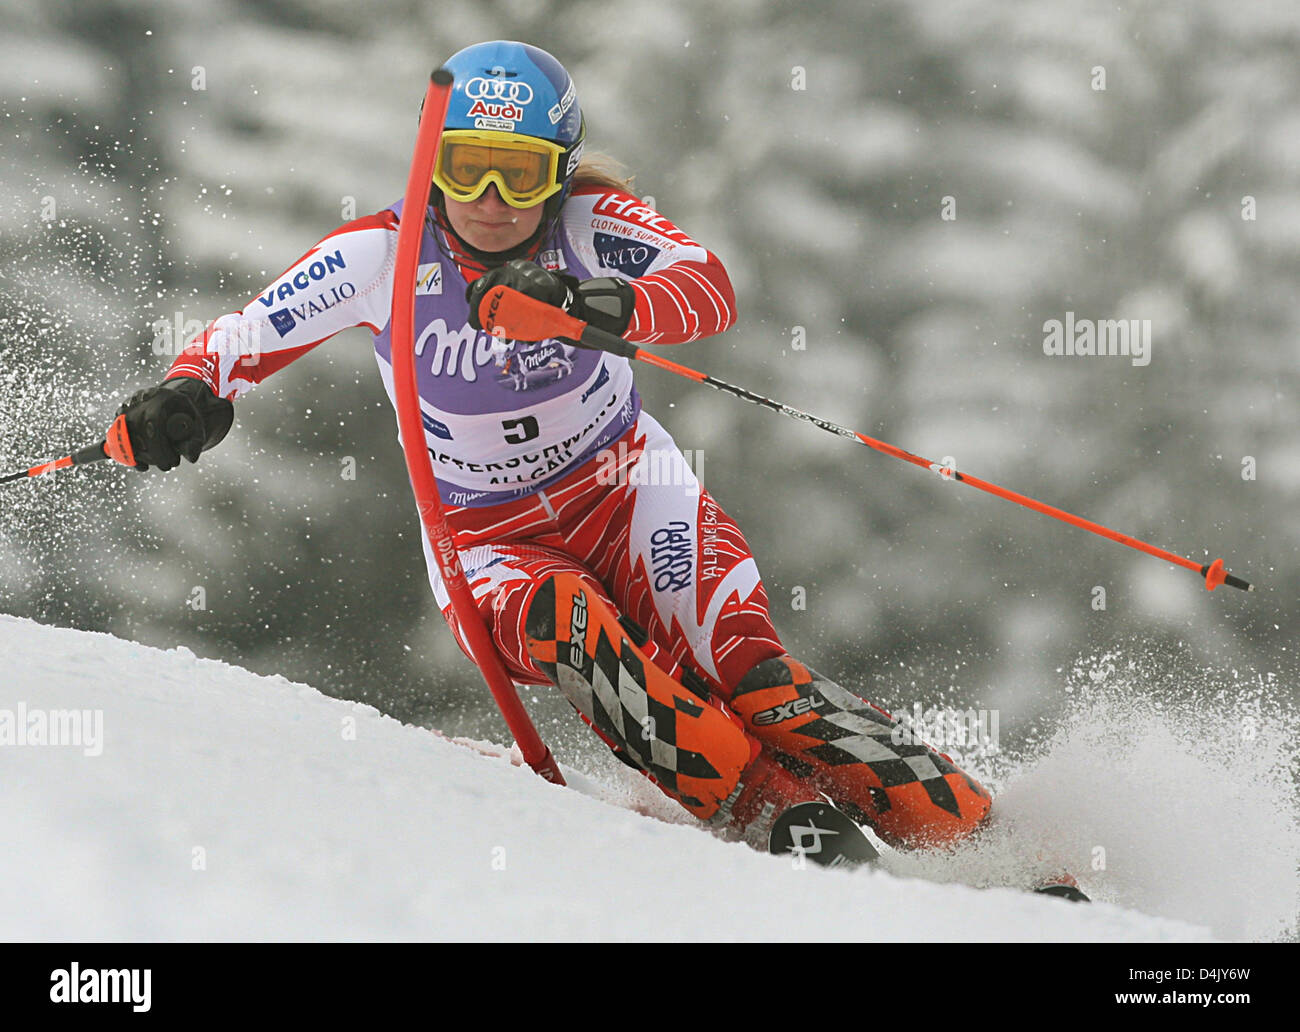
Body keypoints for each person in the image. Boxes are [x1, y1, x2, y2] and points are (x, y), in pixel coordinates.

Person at [111, 39, 1046, 878]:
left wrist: (595, 301)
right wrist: (186, 397)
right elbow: (242, 337)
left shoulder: (592, 223)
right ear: (432, 164)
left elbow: (706, 287)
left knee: (750, 672)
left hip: (631, 493)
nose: (486, 202)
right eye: (466, 170)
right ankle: (783, 822)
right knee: (576, 630)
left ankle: (992, 848)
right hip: (491, 541)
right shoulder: (383, 257)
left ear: (556, 176)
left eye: (516, 178)